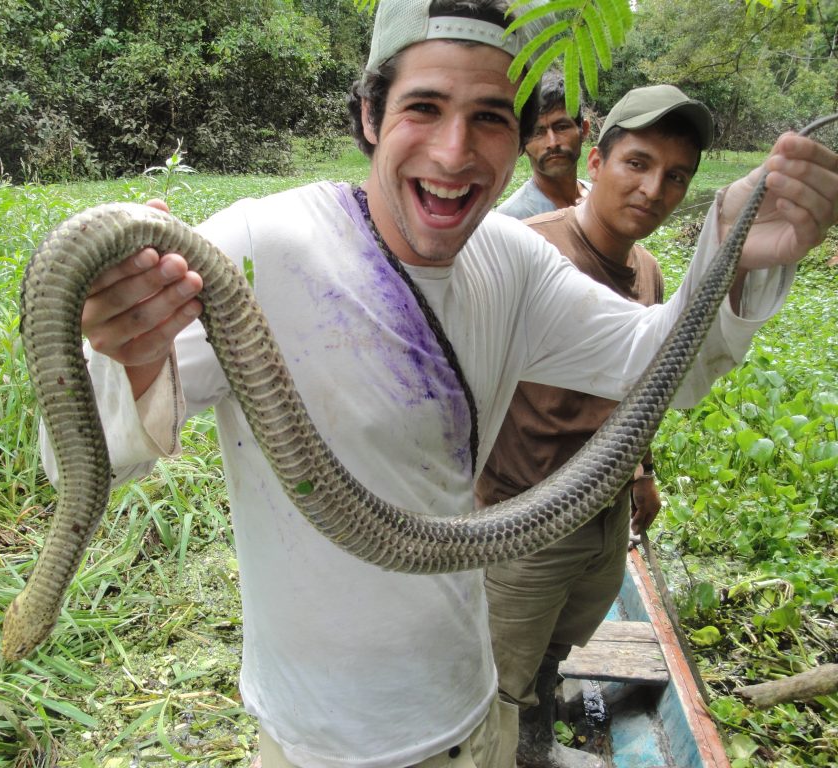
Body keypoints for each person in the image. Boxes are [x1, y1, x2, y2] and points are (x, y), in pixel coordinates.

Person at [43, 1, 838, 766]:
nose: (456, 152)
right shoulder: (259, 246)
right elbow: (84, 462)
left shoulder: (512, 261)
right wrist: (124, 349)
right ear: (369, 116)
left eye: (491, 116)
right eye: (424, 106)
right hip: (327, 738)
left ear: (519, 136)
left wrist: (731, 252)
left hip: (468, 705)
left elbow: (663, 366)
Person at [478, 84, 714, 768]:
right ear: (600, 158)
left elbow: (644, 389)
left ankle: (535, 748)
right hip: (522, 519)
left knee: (557, 646)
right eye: (638, 163)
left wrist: (642, 473)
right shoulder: (522, 255)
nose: (653, 189)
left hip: (603, 516)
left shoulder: (650, 271)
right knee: (499, 676)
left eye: (676, 177)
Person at [497, 71, 591, 219]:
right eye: (537, 133)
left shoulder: (598, 199)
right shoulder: (513, 217)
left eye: (561, 127)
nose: (552, 143)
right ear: (522, 142)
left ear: (584, 130)